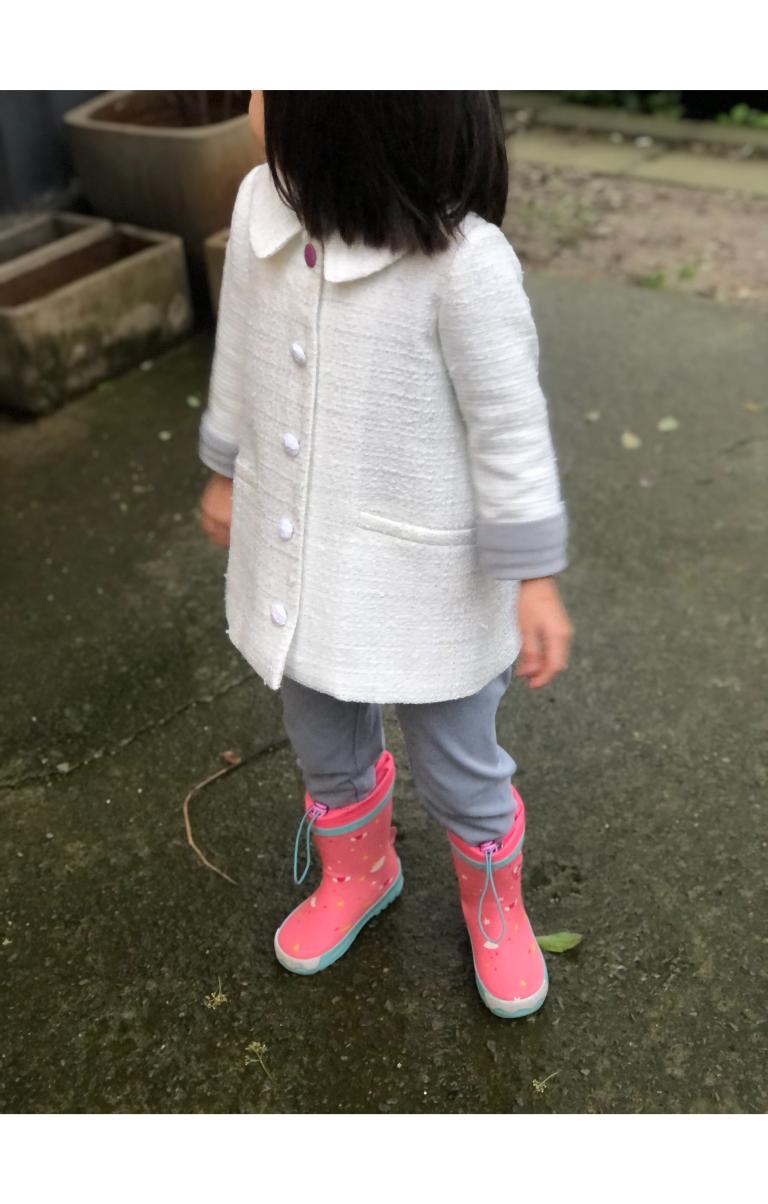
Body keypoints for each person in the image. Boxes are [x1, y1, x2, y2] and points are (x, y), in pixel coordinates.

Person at [198, 91, 574, 1019]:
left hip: (433, 580)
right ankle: (359, 869)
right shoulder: (263, 207)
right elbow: (240, 347)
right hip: (299, 559)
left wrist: (533, 574)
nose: (251, 93)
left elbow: (509, 429)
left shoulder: (463, 263)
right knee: (321, 734)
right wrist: (225, 465)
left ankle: (494, 901)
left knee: (460, 762)